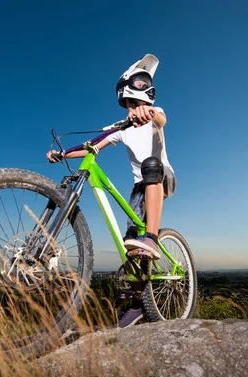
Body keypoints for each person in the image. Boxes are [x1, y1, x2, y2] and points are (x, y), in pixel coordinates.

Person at [47, 54, 176, 327]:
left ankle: (153, 235)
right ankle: (139, 303)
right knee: (131, 245)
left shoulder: (153, 115)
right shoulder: (122, 128)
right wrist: (62, 153)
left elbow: (161, 118)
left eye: (136, 104)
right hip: (139, 189)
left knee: (150, 166)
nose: (133, 110)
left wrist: (149, 112)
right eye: (129, 106)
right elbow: (91, 145)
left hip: (162, 177)